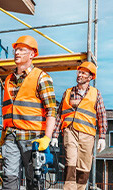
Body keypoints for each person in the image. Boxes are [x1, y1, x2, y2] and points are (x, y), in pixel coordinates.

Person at [1, 35, 57, 190]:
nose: (17, 53)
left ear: (32, 54)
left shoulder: (41, 77)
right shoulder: (8, 79)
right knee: (9, 177)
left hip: (33, 138)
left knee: (34, 179)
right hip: (11, 135)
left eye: (22, 50)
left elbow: (52, 109)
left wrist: (47, 137)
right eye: (16, 50)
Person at [51, 61, 108, 190]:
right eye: (79, 72)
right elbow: (60, 114)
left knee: (84, 166)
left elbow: (102, 115)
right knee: (70, 162)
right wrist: (55, 135)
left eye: (83, 73)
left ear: (90, 77)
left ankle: (80, 188)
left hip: (87, 134)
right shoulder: (68, 92)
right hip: (70, 131)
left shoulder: (95, 94)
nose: (80, 75)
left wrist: (102, 137)